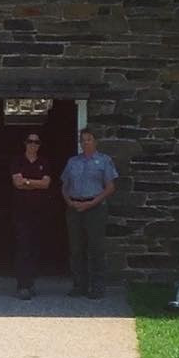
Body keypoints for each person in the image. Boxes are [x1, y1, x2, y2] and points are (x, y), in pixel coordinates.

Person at [60, 128, 119, 299]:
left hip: (95, 208)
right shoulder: (72, 162)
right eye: (82, 140)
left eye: (88, 139)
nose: (85, 142)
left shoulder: (104, 161)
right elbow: (64, 185)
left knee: (96, 248)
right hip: (74, 207)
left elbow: (110, 187)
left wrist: (92, 203)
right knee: (76, 248)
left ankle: (97, 286)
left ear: (95, 141)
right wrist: (69, 201)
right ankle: (79, 285)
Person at [9, 132, 53, 301]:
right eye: (30, 141)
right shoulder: (17, 161)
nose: (33, 144)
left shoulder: (44, 162)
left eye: (36, 142)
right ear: (25, 143)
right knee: (23, 247)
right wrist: (36, 183)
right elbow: (17, 183)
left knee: (35, 247)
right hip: (21, 212)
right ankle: (22, 285)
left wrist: (27, 182)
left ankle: (31, 281)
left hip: (40, 211)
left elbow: (47, 183)